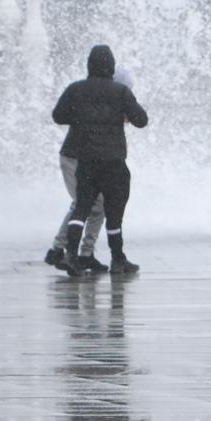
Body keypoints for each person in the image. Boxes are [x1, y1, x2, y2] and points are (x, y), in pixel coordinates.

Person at [52, 45, 148, 277]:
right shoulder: (120, 91)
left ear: (89, 65)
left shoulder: (76, 90)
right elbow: (141, 120)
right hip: (113, 161)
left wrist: (81, 117)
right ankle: (117, 260)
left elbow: (58, 116)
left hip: (87, 161)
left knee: (82, 208)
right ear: (112, 67)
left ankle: (72, 257)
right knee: (113, 212)